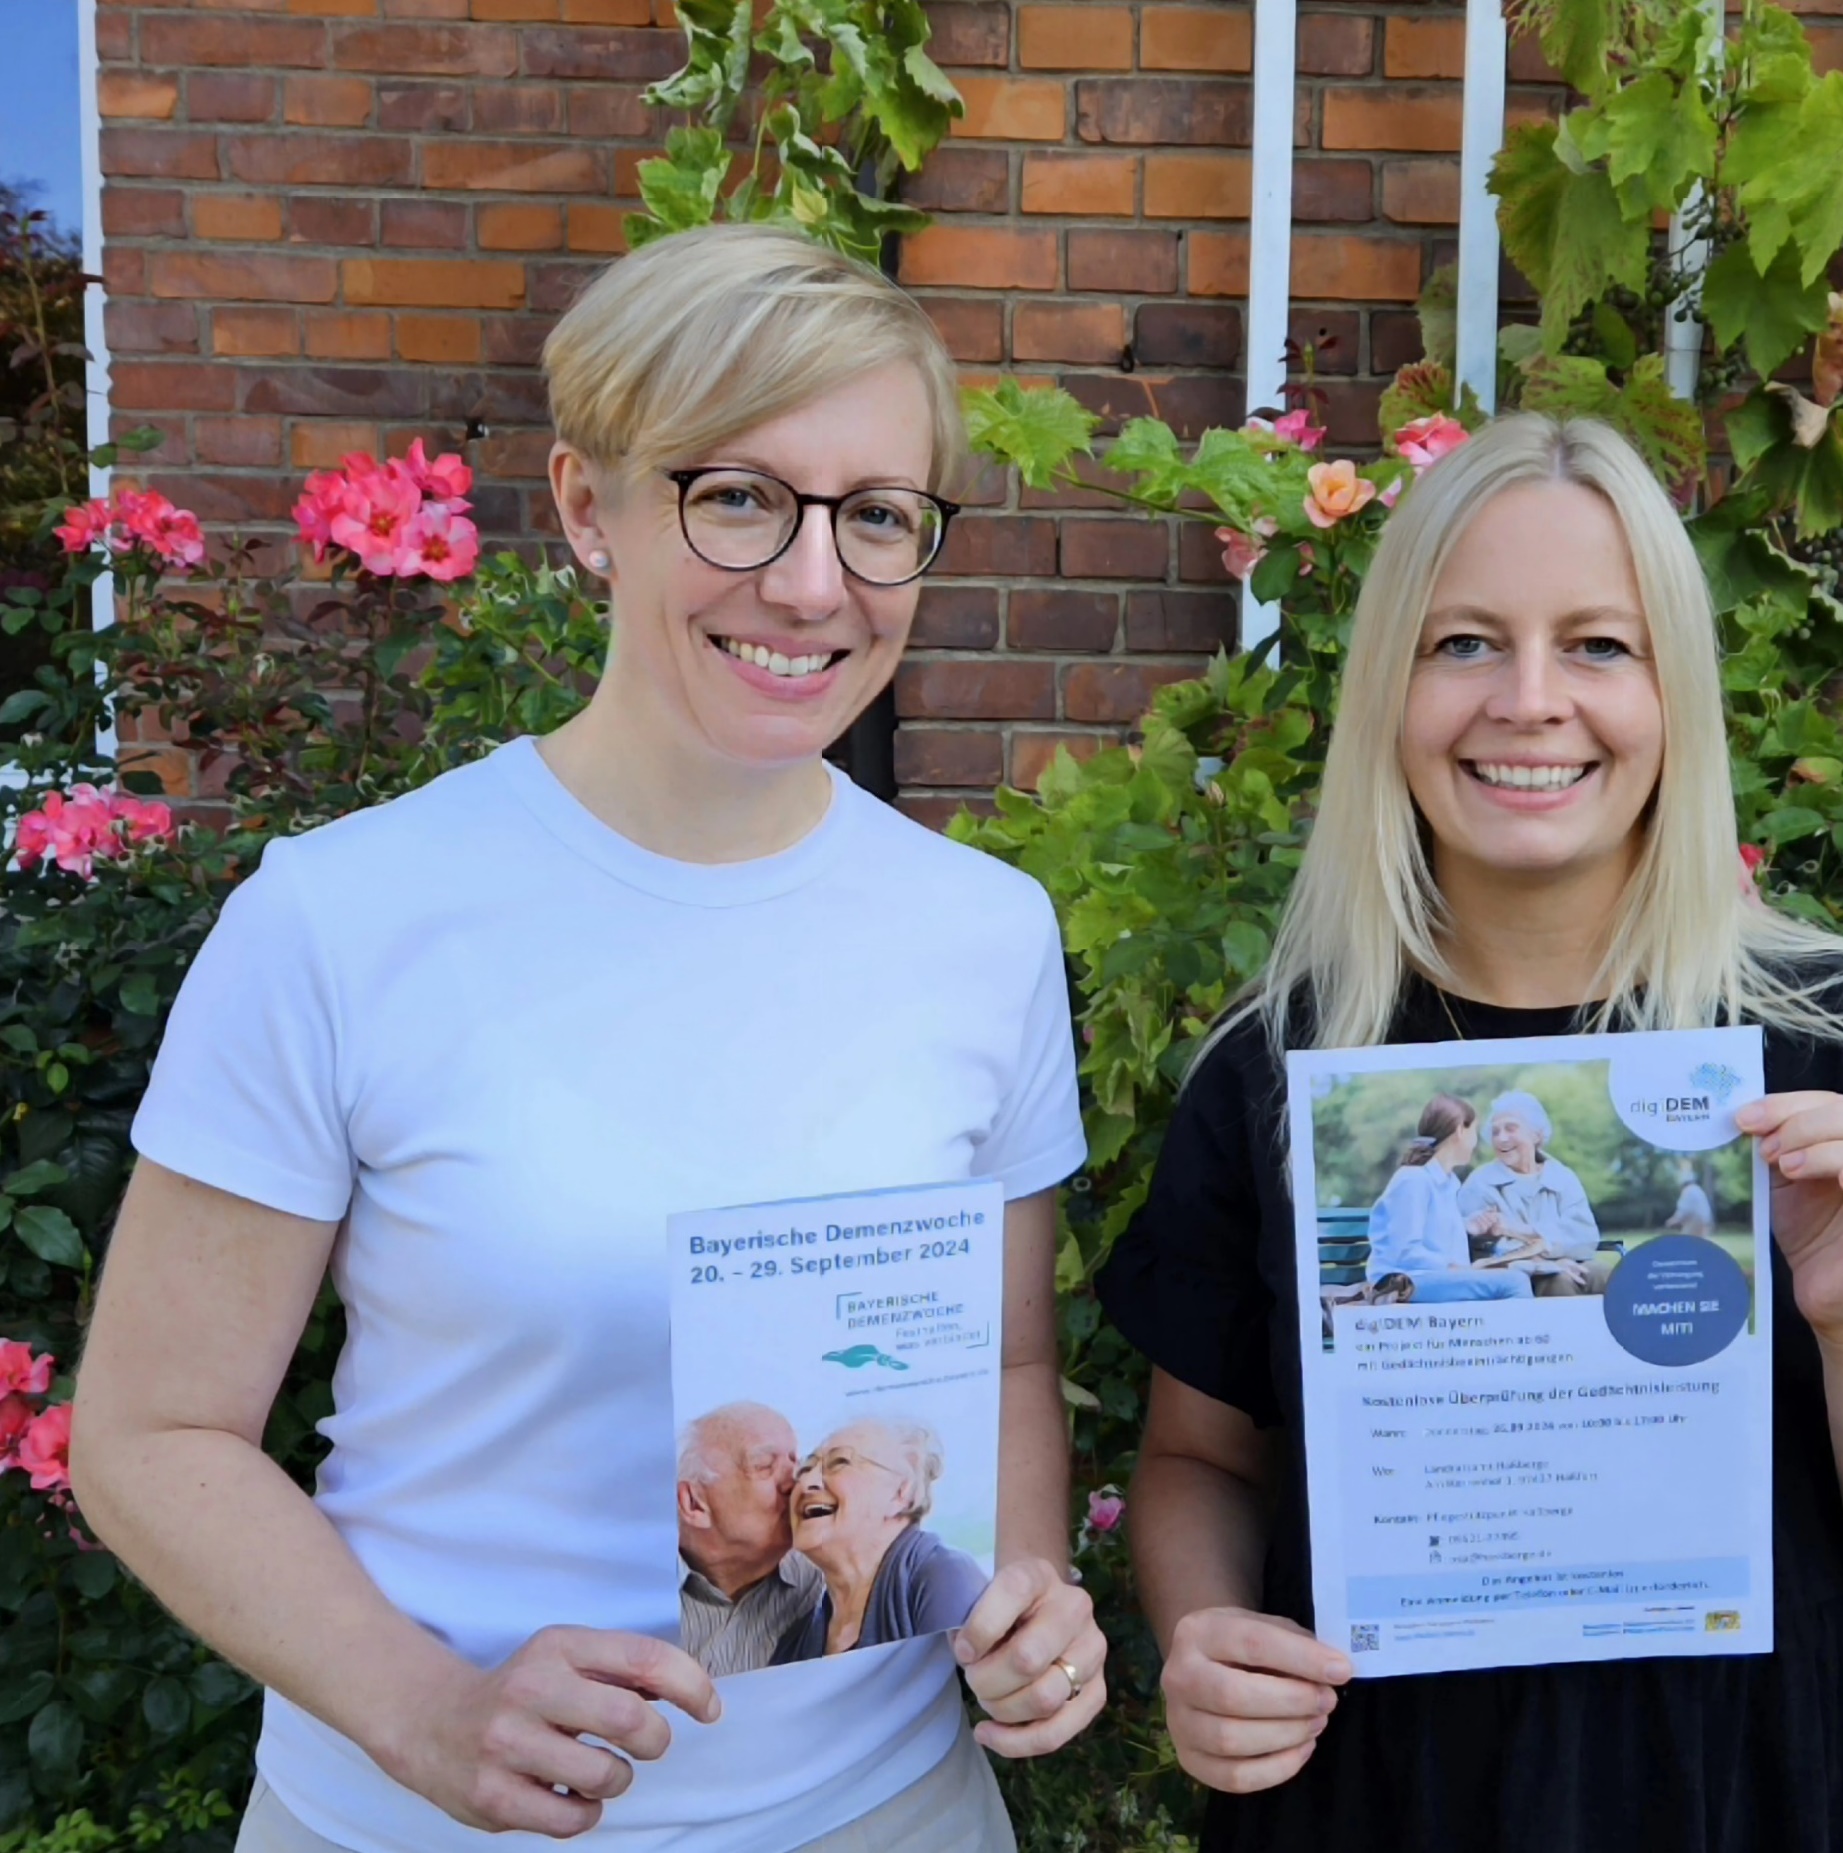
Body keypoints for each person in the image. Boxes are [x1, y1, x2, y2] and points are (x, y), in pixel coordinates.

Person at [71, 224, 1106, 1853]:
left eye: (877, 516)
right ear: (584, 508)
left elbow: (1004, 1358)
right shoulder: (342, 919)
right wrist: (423, 1711)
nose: (814, 581)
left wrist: (1023, 1593)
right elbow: (147, 1434)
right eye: (739, 495)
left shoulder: (980, 934)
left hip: (887, 1811)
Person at [1098, 414, 1843, 1852]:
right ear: (1388, 685)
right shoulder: (1278, 1068)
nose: (1530, 701)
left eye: (1597, 644)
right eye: (1463, 643)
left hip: (1758, 1791)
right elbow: (1200, 1457)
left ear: (1674, 695)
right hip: (1386, 1790)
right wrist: (1205, 1627)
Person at [771, 1419, 990, 1664]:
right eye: (805, 1469)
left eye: (839, 1462)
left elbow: (966, 1696)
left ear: (900, 1493)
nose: (807, 1483)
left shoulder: (943, 1577)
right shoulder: (795, 1642)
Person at [678, 1403, 825, 1677]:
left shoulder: (825, 1578)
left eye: (797, 1463)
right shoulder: (629, 1592)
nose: (795, 1484)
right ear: (694, 1503)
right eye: (764, 1466)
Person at [1361, 1096, 1528, 1304]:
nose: (1476, 1142)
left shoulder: (1449, 1184)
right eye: (1474, 1132)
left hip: (1433, 1279)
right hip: (1404, 1284)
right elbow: (1404, 1251)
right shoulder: (1413, 1179)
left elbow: (1436, 1240)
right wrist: (1452, 1267)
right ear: (1460, 1130)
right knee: (1514, 1283)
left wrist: (1468, 1228)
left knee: (1517, 1272)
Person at [1456, 1090, 1607, 1294]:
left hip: (1568, 1261)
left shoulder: (1562, 1176)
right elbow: (1479, 1251)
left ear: (1536, 1135)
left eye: (1511, 1128)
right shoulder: (1480, 1182)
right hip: (1513, 1274)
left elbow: (1586, 1236)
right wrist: (1547, 1262)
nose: (1501, 1138)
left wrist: (1519, 1229)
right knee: (1558, 1281)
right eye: (1495, 1132)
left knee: (1605, 1274)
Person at [1665, 1160, 1717, 1240]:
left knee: (1685, 1244)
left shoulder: (1687, 1192)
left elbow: (1683, 1211)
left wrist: (1671, 1221)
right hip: (1705, 1223)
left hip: (1695, 1223)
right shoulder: (1698, 1190)